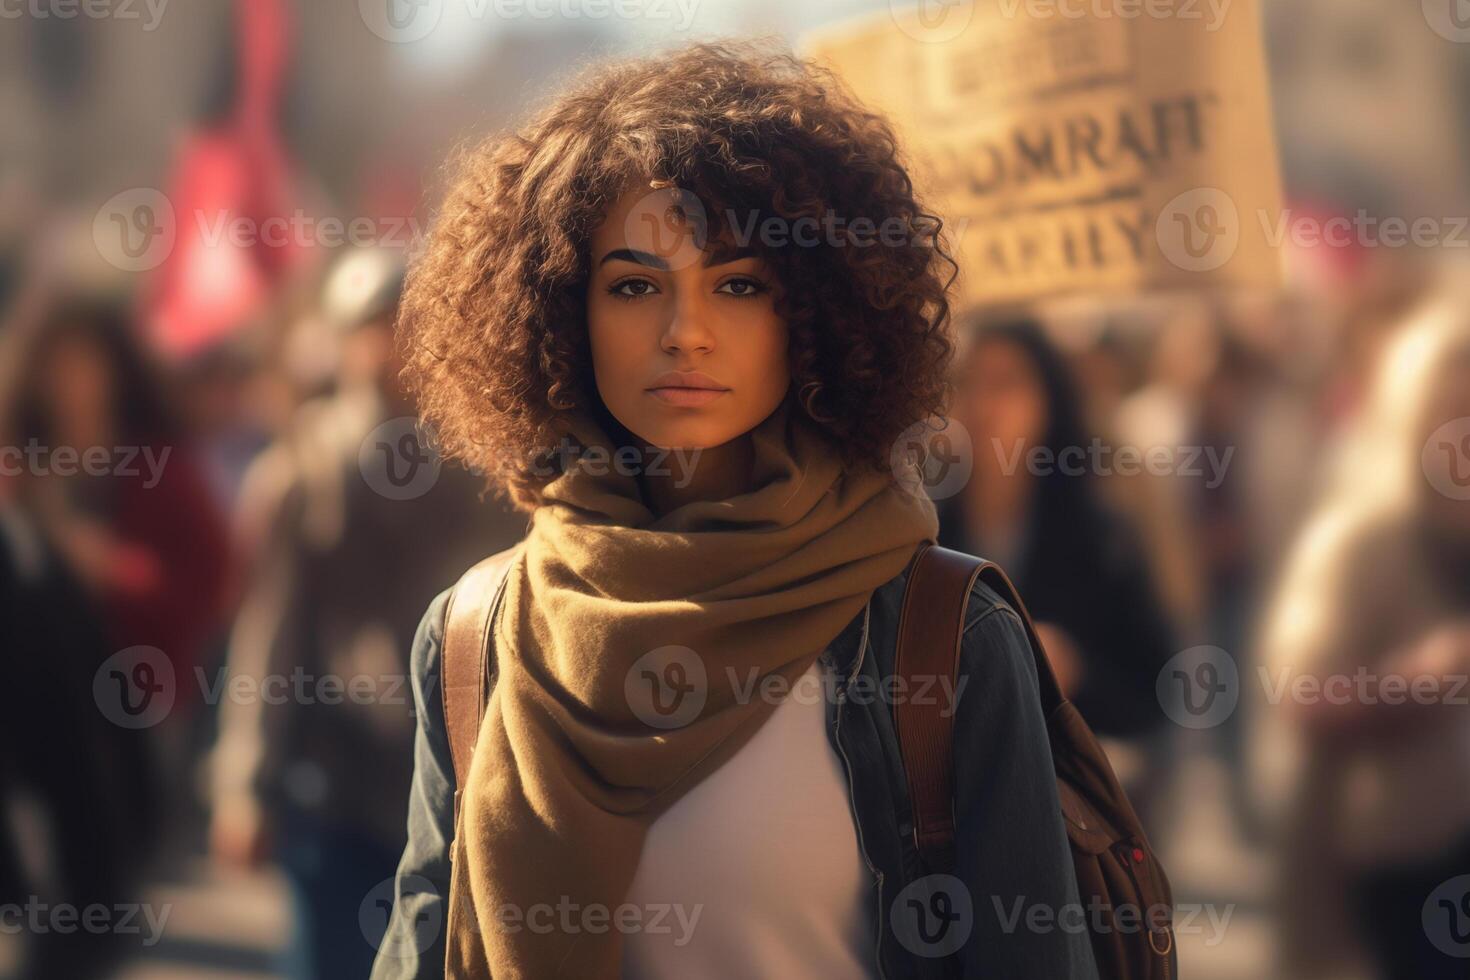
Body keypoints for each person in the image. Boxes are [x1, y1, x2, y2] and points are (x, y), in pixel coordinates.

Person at [372, 44, 1097, 979]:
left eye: (740, 284)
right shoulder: (476, 636)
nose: (686, 330)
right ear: (559, 311)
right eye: (634, 286)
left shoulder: (944, 636)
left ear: (817, 311)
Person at [208, 248, 525, 980]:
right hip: (335, 775)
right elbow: (271, 637)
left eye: (405, 327)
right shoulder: (305, 467)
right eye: (372, 328)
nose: (388, 348)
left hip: (459, 771)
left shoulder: (480, 459)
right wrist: (245, 784)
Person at [1257, 281, 1470, 980]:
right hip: (1400, 875)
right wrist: (1416, 679)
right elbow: (1300, 692)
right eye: (1452, 410)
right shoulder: (1361, 545)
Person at [938, 319, 1176, 741]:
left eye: (1005, 383)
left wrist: (1072, 671)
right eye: (967, 382)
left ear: (1047, 401)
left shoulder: (1099, 537)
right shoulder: (921, 533)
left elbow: (1155, 694)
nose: (982, 404)